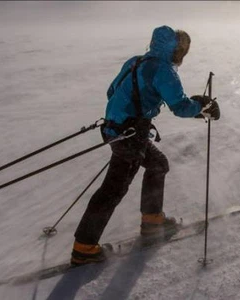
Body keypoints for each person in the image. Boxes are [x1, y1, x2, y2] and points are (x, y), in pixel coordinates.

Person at [70, 25, 220, 265]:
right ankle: (84, 248)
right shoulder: (164, 71)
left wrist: (129, 110)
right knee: (113, 189)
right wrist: (201, 107)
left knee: (158, 165)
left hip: (115, 128)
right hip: (130, 135)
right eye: (182, 50)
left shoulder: (136, 61)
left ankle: (152, 221)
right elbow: (180, 107)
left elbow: (111, 91)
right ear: (176, 50)